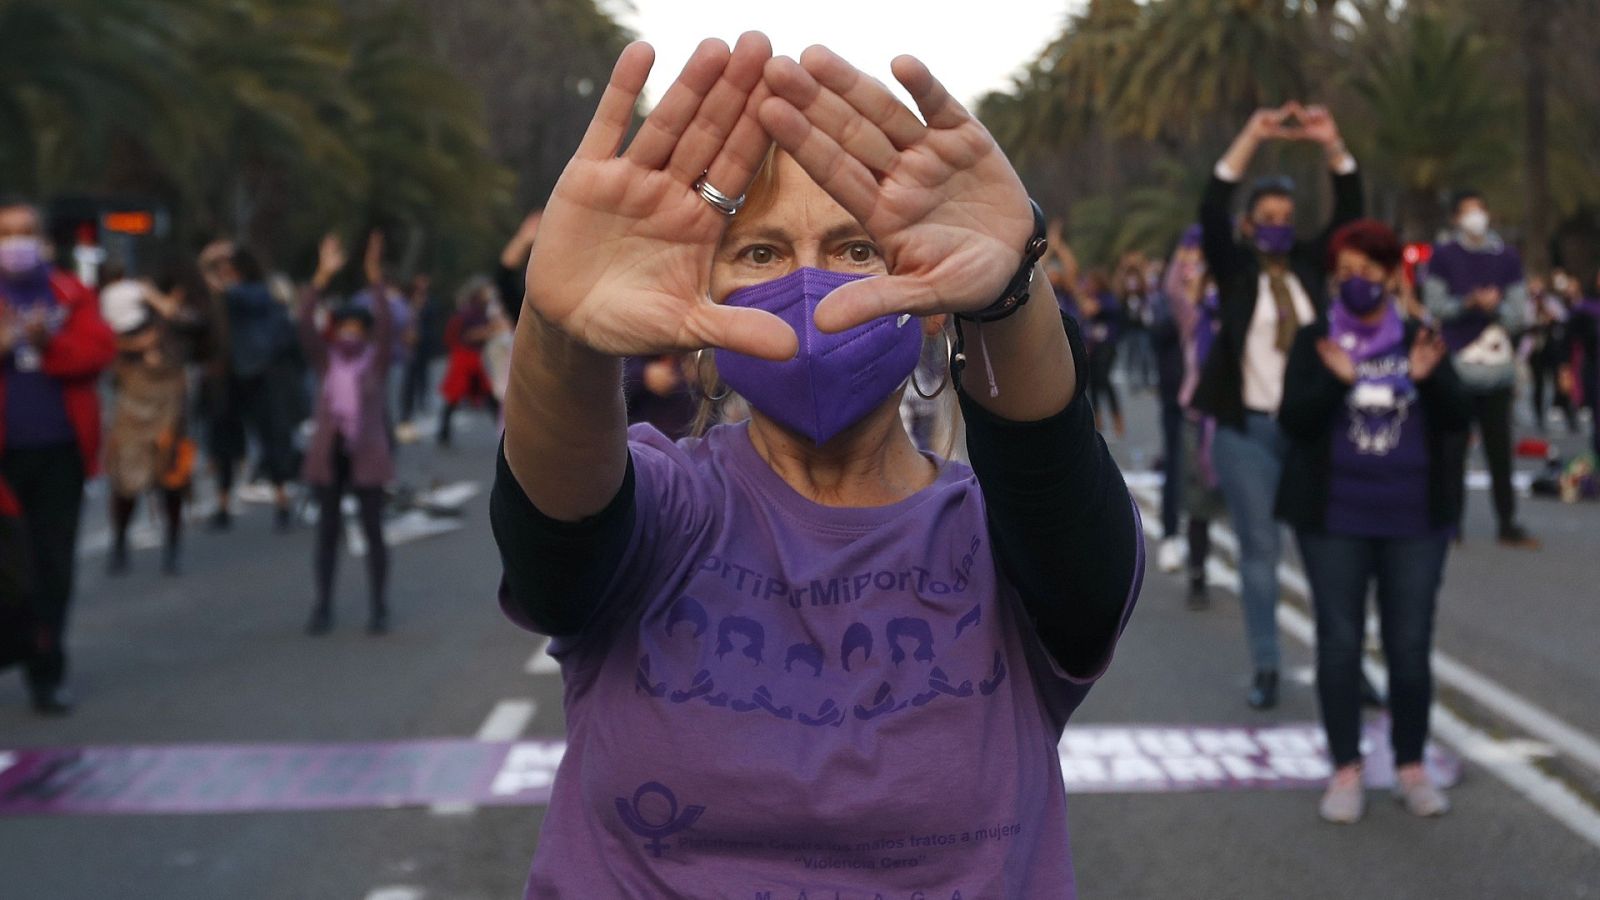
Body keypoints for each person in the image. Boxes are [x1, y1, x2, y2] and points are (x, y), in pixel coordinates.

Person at [491, 35, 1141, 897]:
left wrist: (1011, 291)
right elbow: (554, 541)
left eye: (855, 249)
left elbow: (1060, 499)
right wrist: (561, 331)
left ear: (935, 307)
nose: (810, 285)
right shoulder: (667, 511)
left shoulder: (1004, 548)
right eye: (760, 253)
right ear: (700, 303)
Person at [1277, 219, 1470, 823]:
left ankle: (1410, 767)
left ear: (1391, 276)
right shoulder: (1315, 341)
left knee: (1409, 646)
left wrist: (1426, 379)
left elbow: (1458, 416)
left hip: (1414, 519)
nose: (1357, 283)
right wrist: (1336, 385)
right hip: (1333, 521)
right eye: (1346, 274)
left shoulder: (1421, 338)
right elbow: (1294, 423)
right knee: (1338, 644)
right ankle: (1346, 770)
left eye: (1369, 272)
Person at [1194, 102, 1362, 709]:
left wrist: (1331, 143)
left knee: (1331, 552)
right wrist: (1252, 133)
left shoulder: (1312, 269)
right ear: (1249, 225)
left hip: (1312, 430)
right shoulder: (1236, 272)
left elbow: (1351, 211)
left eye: (1287, 218)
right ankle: (1266, 664)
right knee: (1260, 551)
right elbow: (1212, 205)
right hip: (1248, 434)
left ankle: (1346, 663)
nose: (1279, 227)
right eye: (1267, 218)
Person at [0, 197, 116, 714]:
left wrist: (49, 343)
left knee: (52, 569)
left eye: (24, 232)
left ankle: (46, 673)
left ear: (43, 240)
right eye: (5, 233)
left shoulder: (72, 293)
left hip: (59, 455)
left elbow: (97, 353)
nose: (15, 243)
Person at [1423, 191, 1536, 547]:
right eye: (1469, 213)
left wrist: (1496, 307)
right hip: (1458, 364)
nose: (1476, 219)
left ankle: (1507, 521)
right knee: (1451, 449)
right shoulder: (1443, 257)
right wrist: (1468, 303)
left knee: (1500, 449)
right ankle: (1450, 522)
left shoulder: (1506, 257)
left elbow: (1519, 313)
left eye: (1481, 211)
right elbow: (1435, 305)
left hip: (1497, 367)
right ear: (1456, 218)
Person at [298, 233, 394, 636]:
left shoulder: (375, 365)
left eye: (359, 328)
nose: (351, 334)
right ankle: (322, 606)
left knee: (373, 533)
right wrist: (321, 276)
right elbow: (303, 323)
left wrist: (375, 278)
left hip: (367, 457)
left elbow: (387, 325)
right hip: (329, 456)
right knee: (327, 533)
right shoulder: (326, 363)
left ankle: (378, 606)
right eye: (346, 328)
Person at [102, 266, 207, 576]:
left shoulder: (176, 322)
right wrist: (134, 346)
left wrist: (163, 308)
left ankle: (172, 549)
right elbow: (104, 348)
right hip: (132, 411)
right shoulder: (126, 319)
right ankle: (120, 542)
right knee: (126, 483)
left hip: (170, 412)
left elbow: (198, 330)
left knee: (171, 482)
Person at [198, 240, 299, 532]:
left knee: (270, 438)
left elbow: (228, 294)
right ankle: (224, 503)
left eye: (228, 267)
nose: (225, 272)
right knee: (225, 440)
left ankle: (281, 500)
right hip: (231, 373)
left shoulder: (256, 293)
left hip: (256, 372)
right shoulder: (239, 295)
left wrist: (207, 263)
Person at [436, 277, 500, 446]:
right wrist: (486, 332)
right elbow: (467, 335)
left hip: (473, 356)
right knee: (456, 395)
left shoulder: (480, 311)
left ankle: (504, 431)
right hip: (465, 356)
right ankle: (443, 432)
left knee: (486, 396)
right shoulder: (469, 312)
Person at [1079, 269, 1125, 437]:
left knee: (1104, 380)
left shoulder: (1108, 299)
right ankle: (1097, 419)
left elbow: (1094, 310)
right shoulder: (1089, 299)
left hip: (1107, 345)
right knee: (1092, 383)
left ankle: (1117, 417)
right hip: (1092, 345)